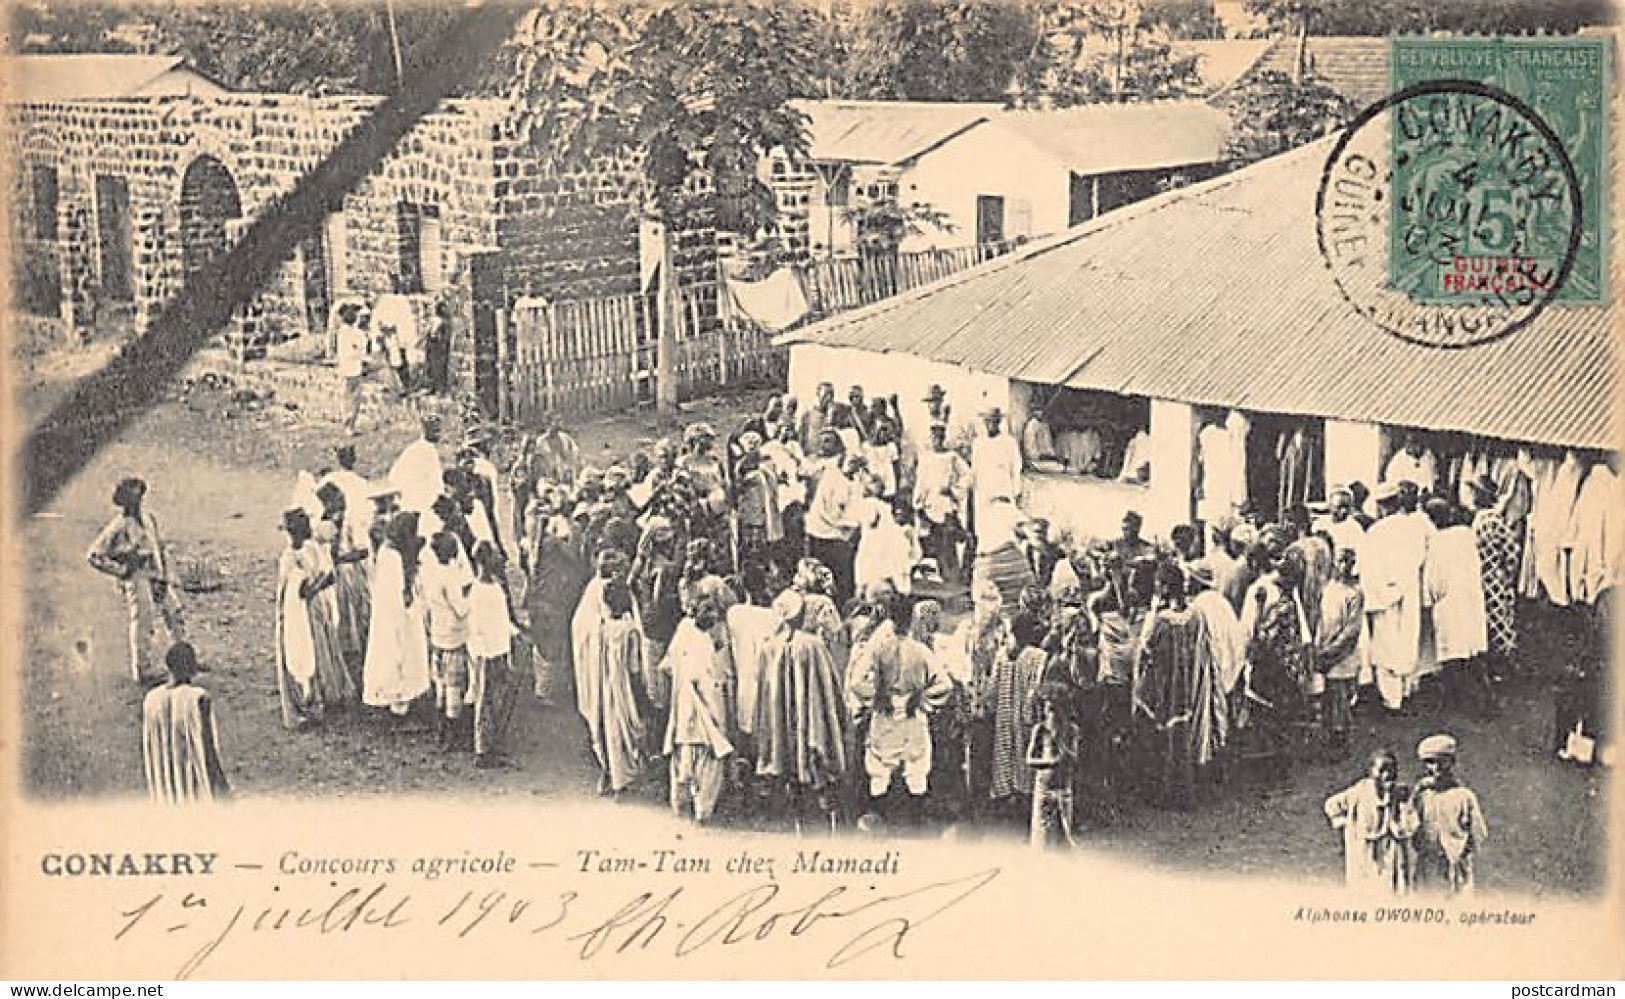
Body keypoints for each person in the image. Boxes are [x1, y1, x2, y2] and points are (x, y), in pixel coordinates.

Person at [849, 592, 951, 822]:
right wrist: (923, 697)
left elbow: (856, 681)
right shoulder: (920, 651)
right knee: (916, 765)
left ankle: (881, 817)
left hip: (886, 712)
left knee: (880, 766)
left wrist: (875, 697)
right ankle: (913, 818)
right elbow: (944, 684)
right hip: (912, 713)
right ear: (911, 619)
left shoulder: (878, 649)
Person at [754, 589, 848, 826]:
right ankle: (830, 823)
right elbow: (830, 688)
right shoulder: (812, 645)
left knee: (789, 769)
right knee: (820, 772)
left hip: (783, 724)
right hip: (810, 717)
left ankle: (798, 822)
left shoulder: (770, 646)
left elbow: (764, 692)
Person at [87, 477, 186, 684]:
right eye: (131, 495)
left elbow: (160, 547)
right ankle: (142, 670)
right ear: (123, 500)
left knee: (174, 613)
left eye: (139, 494)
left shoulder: (150, 518)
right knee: (144, 622)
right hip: (138, 578)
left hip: (157, 575)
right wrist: (122, 570)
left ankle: (184, 658)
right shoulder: (118, 527)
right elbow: (94, 556)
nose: (137, 499)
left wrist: (165, 576)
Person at [276, 508, 353, 729]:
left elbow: (324, 573)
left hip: (317, 607)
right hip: (300, 612)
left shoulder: (310, 550)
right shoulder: (289, 559)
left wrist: (322, 581)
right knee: (307, 651)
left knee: (325, 647)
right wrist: (321, 583)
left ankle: (330, 692)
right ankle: (312, 699)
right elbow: (299, 592)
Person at [664, 598, 736, 824]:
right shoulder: (685, 630)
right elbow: (669, 664)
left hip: (705, 704)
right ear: (695, 612)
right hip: (691, 704)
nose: (711, 616)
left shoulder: (715, 638)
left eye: (714, 612)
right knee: (692, 758)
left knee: (706, 760)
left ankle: (702, 812)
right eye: (706, 611)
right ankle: (683, 806)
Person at [579, 574, 650, 793]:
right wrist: (643, 695)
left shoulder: (600, 628)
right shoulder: (630, 631)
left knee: (605, 728)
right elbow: (634, 668)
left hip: (603, 685)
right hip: (623, 688)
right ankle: (624, 776)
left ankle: (608, 772)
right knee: (624, 727)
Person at [1363, 482, 1430, 712]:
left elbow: (1367, 566)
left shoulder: (1376, 531)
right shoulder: (1416, 527)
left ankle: (1392, 698)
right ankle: (1409, 689)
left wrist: (1381, 589)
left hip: (1385, 592)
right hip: (1409, 587)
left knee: (1386, 642)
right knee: (1408, 637)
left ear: (1381, 506)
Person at [1421, 499, 1490, 714]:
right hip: (1470, 597)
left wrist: (1429, 599)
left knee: (1453, 652)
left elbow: (1434, 578)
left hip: (1450, 601)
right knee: (1472, 651)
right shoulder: (1466, 534)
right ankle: (1483, 698)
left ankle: (1459, 701)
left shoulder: (1437, 541)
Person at [142, 642, 231, 805]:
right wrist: (222, 787)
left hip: (165, 791)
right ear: (192, 669)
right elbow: (208, 750)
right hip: (193, 789)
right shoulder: (197, 698)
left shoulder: (151, 699)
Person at [364, 512, 432, 719]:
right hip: (396, 616)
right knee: (398, 653)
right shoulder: (392, 558)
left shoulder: (390, 551)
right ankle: (397, 700)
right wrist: (413, 604)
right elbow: (397, 593)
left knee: (399, 653)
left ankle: (402, 697)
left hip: (392, 613)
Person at [1322, 749, 1420, 894]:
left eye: (1391, 770)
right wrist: (1347, 825)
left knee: (1393, 888)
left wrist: (1401, 806)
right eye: (1382, 770)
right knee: (1366, 887)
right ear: (1371, 771)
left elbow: (1409, 824)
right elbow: (1331, 805)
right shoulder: (1359, 792)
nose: (1387, 775)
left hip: (1391, 850)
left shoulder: (1399, 794)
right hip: (1364, 850)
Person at [466, 542, 520, 769]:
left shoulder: (496, 587)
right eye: (496, 557)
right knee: (484, 700)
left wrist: (514, 634)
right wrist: (482, 655)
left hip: (500, 649)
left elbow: (502, 618)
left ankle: (494, 743)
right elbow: (476, 628)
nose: (500, 560)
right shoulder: (477, 593)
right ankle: (482, 750)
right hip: (486, 653)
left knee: (499, 699)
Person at [1413, 733, 1488, 896]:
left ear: (1452, 762)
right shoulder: (1422, 795)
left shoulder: (1463, 796)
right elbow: (1409, 824)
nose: (1436, 768)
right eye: (1430, 762)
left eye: (1442, 762)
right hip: (1429, 863)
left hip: (1455, 866)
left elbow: (1478, 832)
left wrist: (1459, 854)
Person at [423, 531, 474, 749]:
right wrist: (472, 597)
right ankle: (453, 734)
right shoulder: (451, 576)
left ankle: (441, 730)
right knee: (455, 684)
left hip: (438, 632)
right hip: (454, 635)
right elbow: (461, 609)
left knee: (441, 683)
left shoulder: (432, 573)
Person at [1469, 477, 1519, 683]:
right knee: (1498, 620)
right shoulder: (1493, 520)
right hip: (1496, 578)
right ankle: (1497, 668)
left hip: (1487, 578)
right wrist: (1506, 574)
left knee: (1492, 622)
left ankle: (1498, 668)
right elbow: (1512, 553)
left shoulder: (1487, 521)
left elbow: (1511, 553)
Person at [1316, 548, 1366, 755]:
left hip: (1343, 657)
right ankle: (1330, 741)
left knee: (1340, 703)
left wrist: (1330, 653)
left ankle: (1340, 745)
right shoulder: (1326, 588)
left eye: (1348, 562)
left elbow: (1352, 630)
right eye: (1340, 561)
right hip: (1325, 653)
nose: (1343, 566)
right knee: (1329, 701)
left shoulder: (1354, 593)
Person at [805, 442, 861, 608]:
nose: (853, 470)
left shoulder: (852, 480)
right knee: (829, 574)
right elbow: (830, 512)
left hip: (837, 532)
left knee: (843, 575)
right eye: (851, 464)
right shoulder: (832, 480)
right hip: (825, 532)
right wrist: (849, 524)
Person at [912, 422, 970, 582]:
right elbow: (920, 483)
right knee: (931, 543)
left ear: (943, 438)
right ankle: (935, 579)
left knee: (947, 543)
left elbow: (967, 475)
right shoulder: (925, 458)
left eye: (939, 437)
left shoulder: (951, 457)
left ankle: (951, 578)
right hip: (929, 504)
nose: (936, 441)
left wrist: (954, 490)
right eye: (933, 437)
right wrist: (918, 505)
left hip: (945, 505)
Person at [971, 407, 1022, 531]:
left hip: (1003, 491)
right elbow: (975, 470)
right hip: (984, 493)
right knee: (985, 529)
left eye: (994, 421)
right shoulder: (978, 443)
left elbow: (1016, 468)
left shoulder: (1009, 443)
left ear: (999, 422)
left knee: (1003, 528)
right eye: (987, 421)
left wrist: (1015, 492)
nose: (990, 425)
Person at [390, 414, 445, 516]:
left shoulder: (425, 449)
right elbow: (394, 476)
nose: (439, 435)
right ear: (425, 431)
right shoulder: (421, 450)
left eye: (439, 431)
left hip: (419, 504)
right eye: (435, 431)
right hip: (420, 505)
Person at [333, 301, 370, 434]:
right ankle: (351, 425)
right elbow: (361, 351)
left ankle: (346, 421)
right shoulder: (358, 334)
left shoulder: (341, 333)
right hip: (354, 368)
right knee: (355, 397)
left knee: (346, 396)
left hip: (344, 368)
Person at [1021, 402, 1062, 471]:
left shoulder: (1045, 425)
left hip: (1047, 461)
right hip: (1036, 462)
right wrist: (1045, 457)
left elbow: (1048, 446)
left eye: (1042, 410)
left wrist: (1054, 457)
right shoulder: (1031, 425)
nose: (1041, 412)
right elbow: (1030, 450)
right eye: (1038, 410)